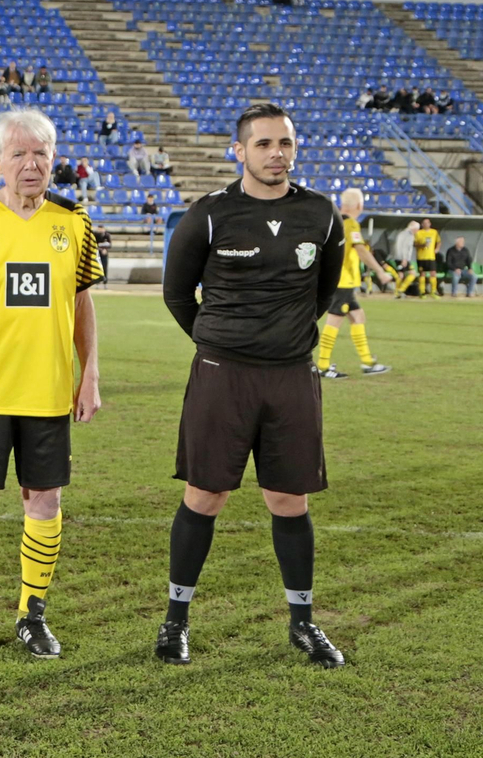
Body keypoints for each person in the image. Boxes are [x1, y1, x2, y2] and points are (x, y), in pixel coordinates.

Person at [157, 102, 347, 670]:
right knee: (204, 495)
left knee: (290, 500)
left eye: (284, 143)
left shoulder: (320, 213)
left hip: (292, 376)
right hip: (223, 376)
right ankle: (175, 622)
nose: (276, 154)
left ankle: (303, 623)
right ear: (239, 151)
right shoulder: (210, 215)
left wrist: (283, 340)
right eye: (263, 144)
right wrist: (221, 344)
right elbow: (176, 294)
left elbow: (324, 291)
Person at [0, 108, 104, 659]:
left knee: (45, 502)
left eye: (41, 154)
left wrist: (90, 374)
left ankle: (32, 614)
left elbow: (83, 304)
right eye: (19, 154)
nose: (31, 165)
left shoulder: (75, 223)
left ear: (54, 160)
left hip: (49, 392)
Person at [316, 188, 394, 379]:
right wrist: (380, 271)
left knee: (358, 316)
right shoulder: (351, 224)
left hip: (339, 280)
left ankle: (367, 362)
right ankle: (323, 365)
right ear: (359, 206)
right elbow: (360, 250)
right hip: (342, 281)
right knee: (335, 320)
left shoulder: (334, 221)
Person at [414, 218, 442, 299]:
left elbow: (439, 241)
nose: (426, 224)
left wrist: (437, 249)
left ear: (430, 224)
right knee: (422, 273)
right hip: (421, 257)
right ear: (422, 224)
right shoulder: (418, 233)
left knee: (433, 273)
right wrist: (422, 245)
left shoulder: (434, 232)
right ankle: (422, 292)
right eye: (424, 223)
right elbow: (415, 244)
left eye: (428, 223)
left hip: (431, 256)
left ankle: (433, 291)